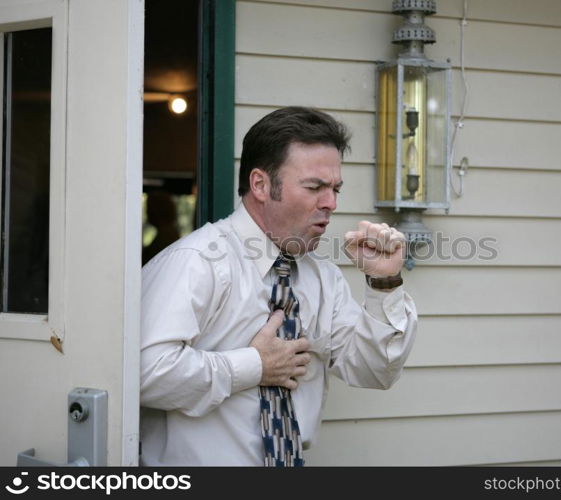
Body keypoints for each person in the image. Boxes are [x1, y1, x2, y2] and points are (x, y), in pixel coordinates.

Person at [139, 106, 417, 466]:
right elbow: (144, 374)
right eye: (315, 187)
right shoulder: (196, 261)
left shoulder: (323, 277)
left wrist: (384, 283)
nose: (330, 203)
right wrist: (253, 366)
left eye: (335, 189)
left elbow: (375, 370)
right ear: (261, 185)